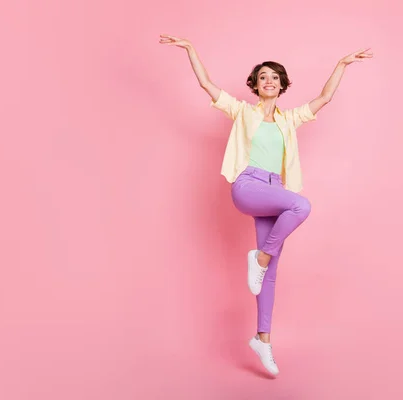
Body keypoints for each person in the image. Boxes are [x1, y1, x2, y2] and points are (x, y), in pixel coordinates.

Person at [159, 34, 372, 376]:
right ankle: (258, 257)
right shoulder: (242, 112)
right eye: (263, 77)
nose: (268, 81)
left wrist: (342, 64)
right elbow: (206, 84)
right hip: (248, 185)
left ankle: (263, 340)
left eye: (274, 77)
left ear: (282, 85)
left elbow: (325, 97)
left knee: (268, 276)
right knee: (300, 207)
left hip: (274, 189)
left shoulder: (290, 120)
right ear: (255, 86)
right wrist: (190, 49)